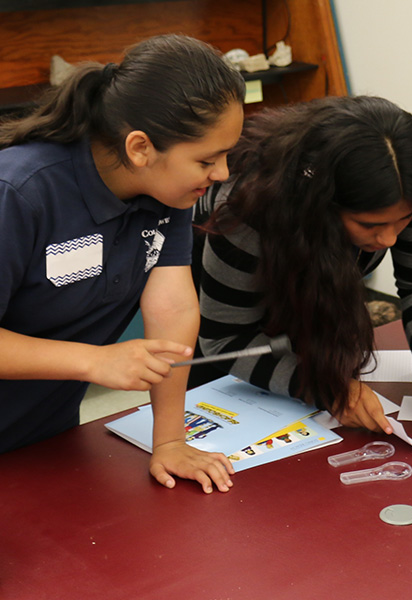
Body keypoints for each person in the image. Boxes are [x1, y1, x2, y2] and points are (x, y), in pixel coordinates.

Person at [0, 34, 245, 494]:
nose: (222, 174)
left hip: (44, 442)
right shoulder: (19, 192)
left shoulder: (166, 192)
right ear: (139, 148)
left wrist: (170, 440)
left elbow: (172, 313)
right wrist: (92, 361)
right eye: (208, 159)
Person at [194, 95, 412, 433]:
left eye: (404, 220)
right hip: (221, 328)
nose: (390, 239)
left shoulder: (411, 189)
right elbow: (224, 342)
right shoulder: (247, 212)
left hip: (304, 305)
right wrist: (325, 388)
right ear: (323, 205)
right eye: (369, 226)